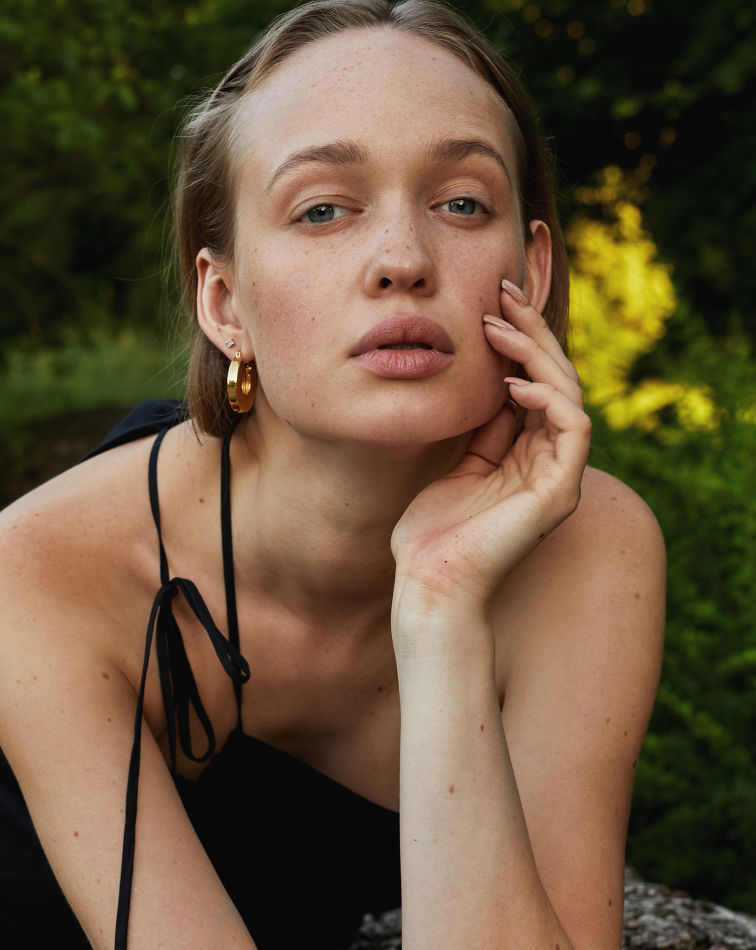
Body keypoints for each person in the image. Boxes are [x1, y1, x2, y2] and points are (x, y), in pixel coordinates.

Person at [0, 1, 666, 947]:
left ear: (534, 269)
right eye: (323, 209)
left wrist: (440, 609)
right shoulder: (38, 567)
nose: (402, 260)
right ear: (224, 303)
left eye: (462, 203)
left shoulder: (590, 547)